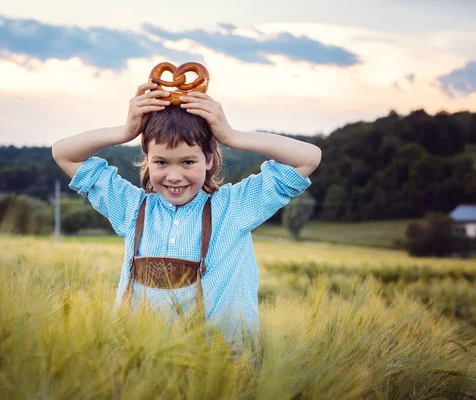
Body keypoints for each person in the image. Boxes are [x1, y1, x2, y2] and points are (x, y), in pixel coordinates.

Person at [52, 82, 321, 358]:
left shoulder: (233, 208)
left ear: (208, 158)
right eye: (161, 162)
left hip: (223, 370)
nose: (174, 176)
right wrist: (124, 132)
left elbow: (308, 159)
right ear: (147, 159)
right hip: (140, 367)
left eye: (187, 162)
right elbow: (63, 153)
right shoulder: (132, 208)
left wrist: (231, 135)